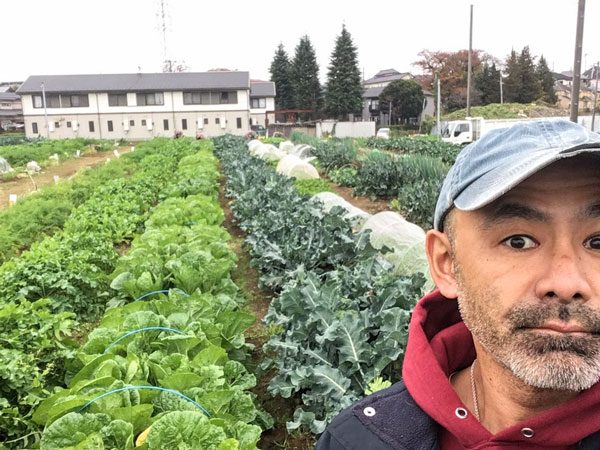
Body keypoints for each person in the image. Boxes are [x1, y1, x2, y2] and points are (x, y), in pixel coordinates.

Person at [315, 119, 600, 450]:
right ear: (446, 264)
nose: (567, 283)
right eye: (518, 241)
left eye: (597, 242)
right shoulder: (356, 442)